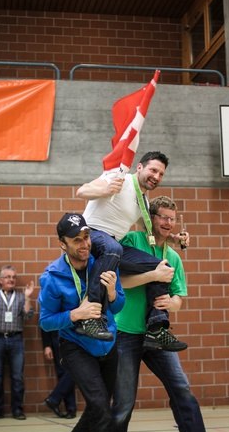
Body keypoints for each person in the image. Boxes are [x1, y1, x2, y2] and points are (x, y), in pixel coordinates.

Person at [112, 196, 229, 432]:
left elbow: (179, 297)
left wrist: (172, 304)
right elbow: (121, 282)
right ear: (151, 218)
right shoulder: (132, 241)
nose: (168, 223)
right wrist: (153, 275)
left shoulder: (174, 257)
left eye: (172, 219)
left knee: (181, 389)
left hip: (158, 337)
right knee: (124, 401)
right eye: (163, 217)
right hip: (126, 333)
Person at [38, 212, 128, 432]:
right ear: (62, 244)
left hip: (108, 344)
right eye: (76, 240)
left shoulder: (102, 263)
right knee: (100, 405)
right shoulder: (52, 277)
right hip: (76, 347)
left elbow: (118, 306)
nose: (85, 244)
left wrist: (112, 293)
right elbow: (46, 321)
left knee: (97, 407)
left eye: (87, 237)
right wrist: (75, 314)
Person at [76, 150, 188, 351]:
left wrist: (174, 239)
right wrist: (105, 189)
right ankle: (89, 317)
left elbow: (149, 229)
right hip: (92, 234)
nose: (156, 176)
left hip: (114, 246)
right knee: (113, 248)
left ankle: (156, 327)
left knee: (161, 267)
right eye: (153, 170)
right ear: (140, 167)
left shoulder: (143, 202)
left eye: (161, 174)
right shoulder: (120, 179)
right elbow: (82, 191)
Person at [0, 265, 34, 420]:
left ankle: (17, 410)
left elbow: (28, 315)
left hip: (16, 339)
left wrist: (28, 296)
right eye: (8, 277)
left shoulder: (21, 296)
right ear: (0, 280)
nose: (12, 280)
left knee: (17, 376)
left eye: (14, 277)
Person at [41, 328, 77, 419]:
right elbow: (44, 323)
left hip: (75, 337)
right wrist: (47, 345)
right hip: (58, 336)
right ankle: (70, 408)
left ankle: (55, 399)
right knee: (64, 373)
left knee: (73, 370)